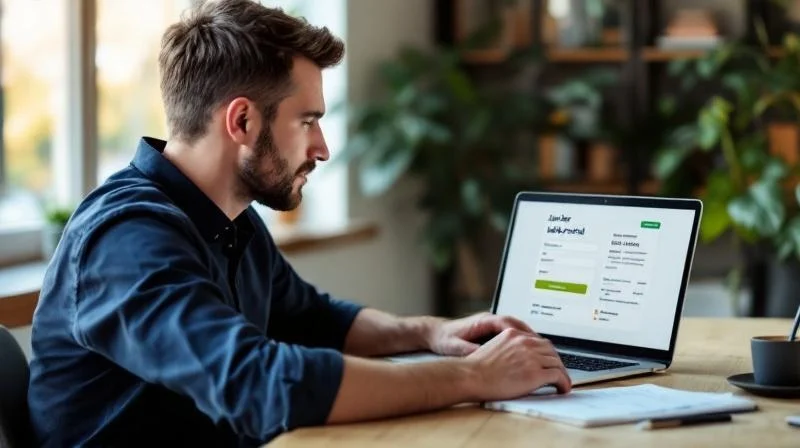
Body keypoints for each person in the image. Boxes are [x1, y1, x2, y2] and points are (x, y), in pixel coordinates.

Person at [26, 0, 571, 446]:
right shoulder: (125, 239)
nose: (323, 148)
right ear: (242, 120)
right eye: (307, 121)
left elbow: (314, 319)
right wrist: (474, 377)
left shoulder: (231, 218)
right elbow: (260, 383)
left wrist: (431, 332)